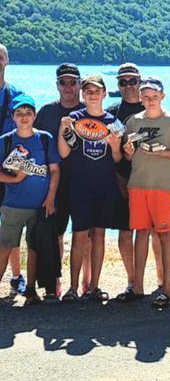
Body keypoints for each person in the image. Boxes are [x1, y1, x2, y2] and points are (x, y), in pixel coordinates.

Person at [124, 76, 170, 308]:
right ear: (140, 98)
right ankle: (138, 287)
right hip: (138, 184)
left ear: (162, 96)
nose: (150, 100)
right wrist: (128, 151)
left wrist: (163, 154)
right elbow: (129, 155)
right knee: (140, 233)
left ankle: (167, 289)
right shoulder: (133, 122)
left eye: (154, 96)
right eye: (146, 97)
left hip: (162, 186)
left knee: (164, 234)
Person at [58, 75, 122, 302]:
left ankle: (94, 286)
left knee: (99, 235)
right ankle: (73, 287)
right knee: (79, 236)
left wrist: (116, 147)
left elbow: (117, 159)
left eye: (97, 91)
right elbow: (64, 153)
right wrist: (62, 130)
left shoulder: (113, 121)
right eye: (88, 91)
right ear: (83, 95)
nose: (93, 95)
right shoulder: (74, 118)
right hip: (80, 187)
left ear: (105, 94)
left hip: (105, 187)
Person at [106, 63, 163, 301]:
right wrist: (121, 183)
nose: (128, 86)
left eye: (132, 81)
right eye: (123, 82)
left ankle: (162, 280)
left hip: (151, 181)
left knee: (157, 232)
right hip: (121, 180)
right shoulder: (111, 112)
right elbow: (110, 153)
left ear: (140, 83)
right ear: (118, 85)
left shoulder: (152, 108)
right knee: (125, 233)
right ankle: (132, 282)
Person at [34, 62, 91, 297]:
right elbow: (34, 145)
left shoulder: (89, 112)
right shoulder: (47, 112)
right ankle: (54, 284)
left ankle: (87, 284)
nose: (68, 87)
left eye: (72, 82)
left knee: (84, 235)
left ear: (79, 84)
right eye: (63, 82)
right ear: (57, 85)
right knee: (55, 235)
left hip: (82, 182)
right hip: (53, 185)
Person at [0, 94, 60, 305]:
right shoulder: (6, 141)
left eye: (28, 113)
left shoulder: (45, 139)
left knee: (34, 247)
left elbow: (54, 170)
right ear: (13, 117)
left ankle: (32, 290)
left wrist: (51, 197)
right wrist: (15, 178)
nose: (24, 117)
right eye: (19, 114)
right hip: (12, 205)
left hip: (39, 204)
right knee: (5, 246)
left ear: (35, 116)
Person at [0, 43, 26, 295]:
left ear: (7, 61)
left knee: (11, 222)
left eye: (0, 57)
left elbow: (25, 132)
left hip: (8, 168)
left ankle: (17, 275)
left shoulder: (15, 95)